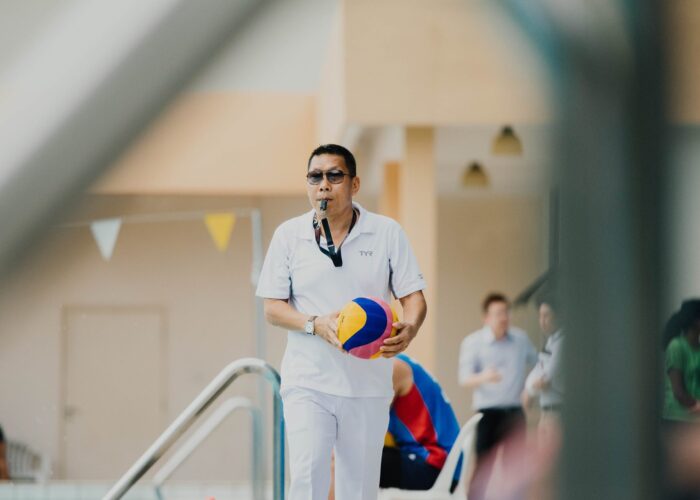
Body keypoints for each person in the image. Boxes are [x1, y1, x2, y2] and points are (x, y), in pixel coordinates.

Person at [256, 144, 427, 500]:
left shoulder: (387, 233)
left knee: (359, 492)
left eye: (334, 176)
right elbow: (272, 307)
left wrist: (410, 328)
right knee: (307, 484)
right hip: (308, 382)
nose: (324, 185)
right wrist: (314, 324)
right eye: (315, 177)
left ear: (355, 184)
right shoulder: (289, 235)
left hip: (367, 386)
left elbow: (414, 298)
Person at [328, 354, 461, 499]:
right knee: (342, 454)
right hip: (431, 460)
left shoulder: (392, 368)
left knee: (341, 460)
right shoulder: (394, 362)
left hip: (435, 464)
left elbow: (367, 429)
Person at [458, 292, 536, 500]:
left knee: (516, 467)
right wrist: (484, 376)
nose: (504, 317)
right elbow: (464, 378)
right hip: (488, 413)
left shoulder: (520, 339)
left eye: (506, 312)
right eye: (498, 313)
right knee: (483, 465)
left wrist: (530, 389)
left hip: (514, 412)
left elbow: (539, 363)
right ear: (486, 318)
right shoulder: (473, 342)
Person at [522, 294, 564, 441]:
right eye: (540, 316)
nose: (542, 321)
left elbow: (546, 379)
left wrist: (530, 389)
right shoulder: (551, 341)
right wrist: (530, 386)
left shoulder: (563, 342)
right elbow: (537, 372)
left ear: (559, 316)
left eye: (547, 315)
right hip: (547, 412)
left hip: (557, 412)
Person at [663, 299, 700, 423]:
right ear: (695, 321)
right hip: (678, 418)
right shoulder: (676, 346)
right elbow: (678, 392)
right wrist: (696, 405)